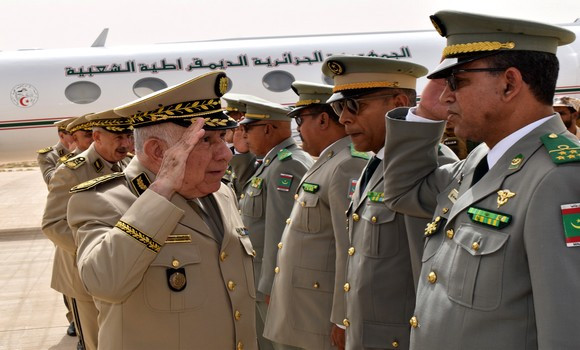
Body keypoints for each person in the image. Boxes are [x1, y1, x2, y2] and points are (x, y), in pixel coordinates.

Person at [381, 10, 580, 349]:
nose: (445, 97)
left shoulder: (558, 177)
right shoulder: (480, 160)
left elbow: (568, 326)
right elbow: (403, 193)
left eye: (457, 82)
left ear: (509, 83)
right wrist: (425, 115)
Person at [67, 71, 258, 350]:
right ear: (158, 151)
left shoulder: (222, 193)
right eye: (206, 140)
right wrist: (160, 193)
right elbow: (104, 282)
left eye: (223, 138)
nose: (225, 154)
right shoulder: (104, 200)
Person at [320, 54, 457, 350]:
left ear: (397, 103)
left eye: (354, 105)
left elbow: (432, 277)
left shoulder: (431, 167)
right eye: (338, 107)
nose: (343, 118)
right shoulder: (373, 164)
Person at [263, 81, 368, 350]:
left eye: (300, 118)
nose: (297, 129)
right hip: (301, 308)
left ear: (323, 119)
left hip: (318, 315)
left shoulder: (347, 164)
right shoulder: (327, 161)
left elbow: (350, 247)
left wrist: (343, 318)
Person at [41, 109, 133, 350]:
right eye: (118, 137)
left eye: (128, 136)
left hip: (125, 269)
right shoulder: (72, 171)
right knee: (97, 342)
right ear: (97, 137)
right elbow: (52, 224)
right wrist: (99, 254)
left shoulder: (129, 164)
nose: (125, 143)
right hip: (85, 273)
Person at [238, 98, 314, 350]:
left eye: (247, 129)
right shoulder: (271, 163)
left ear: (268, 129)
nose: (243, 135)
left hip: (271, 283)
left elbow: (282, 232)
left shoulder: (287, 164)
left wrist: (273, 284)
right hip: (261, 280)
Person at [37, 117, 76, 185]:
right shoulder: (48, 155)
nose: (76, 137)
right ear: (61, 135)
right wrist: (72, 155)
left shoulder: (86, 149)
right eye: (72, 134)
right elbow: (51, 181)